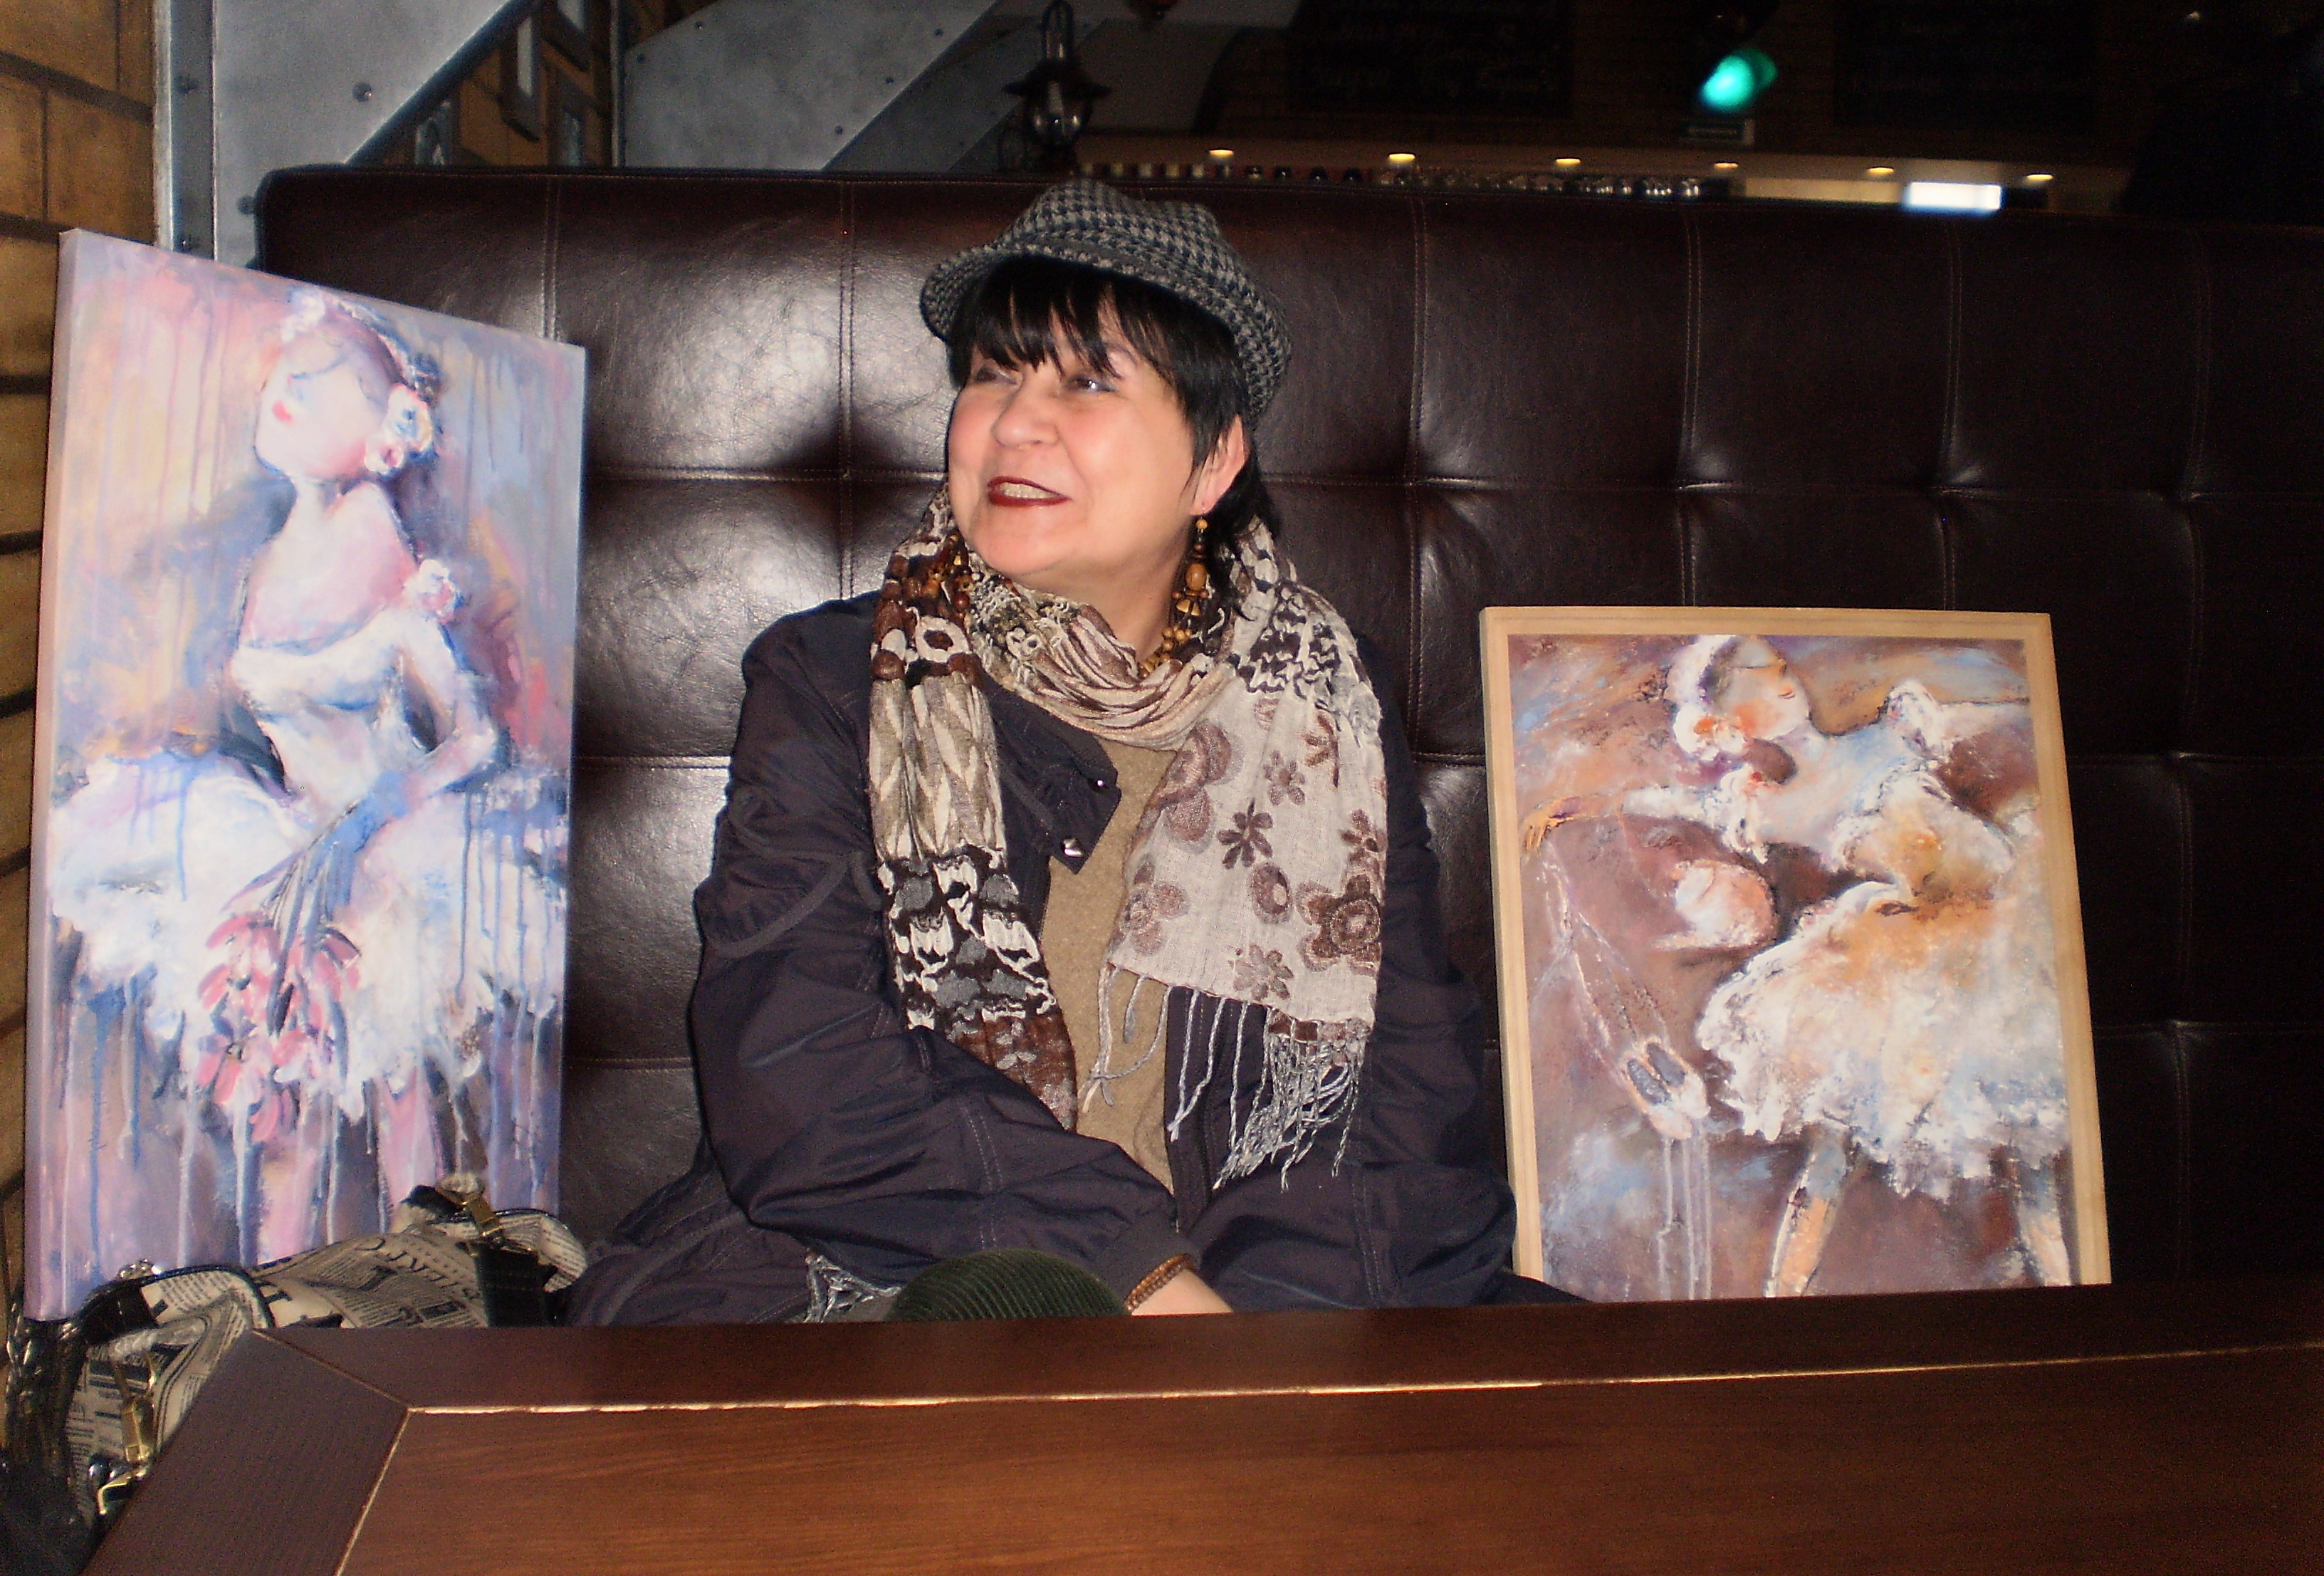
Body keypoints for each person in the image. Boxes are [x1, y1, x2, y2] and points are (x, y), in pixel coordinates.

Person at [575, 182, 1536, 1322]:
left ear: (1212, 463)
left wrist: (1278, 1349)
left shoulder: (1328, 707)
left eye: (1086, 381)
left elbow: (1407, 1093)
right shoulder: (836, 682)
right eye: (993, 373)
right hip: (900, 1277)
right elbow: (803, 1068)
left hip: (1250, 1314)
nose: (1013, 423)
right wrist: (1141, 1278)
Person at [46, 289, 563, 1280]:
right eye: (287, 375)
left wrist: (386, 808)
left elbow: (473, 737)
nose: (285, 392)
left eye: (321, 384)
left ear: (383, 431)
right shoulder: (265, 566)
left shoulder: (392, 560)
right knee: (281, 1116)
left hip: (388, 857)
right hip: (281, 846)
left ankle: (433, 1316)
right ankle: (274, 1322)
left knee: (396, 1102)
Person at [1523, 635, 2069, 1296]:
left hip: (2011, 924)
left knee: (2032, 1152)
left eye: (1779, 669)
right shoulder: (1773, 805)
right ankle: (1780, 1302)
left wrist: (2035, 704)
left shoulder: (1894, 731)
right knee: (1837, 1151)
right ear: (1733, 722)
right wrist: (1584, 806)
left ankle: (2069, 1296)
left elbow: (2011, 714)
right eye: (1758, 680)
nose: (1782, 682)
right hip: (1918, 953)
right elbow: (1675, 802)